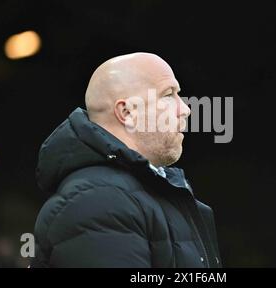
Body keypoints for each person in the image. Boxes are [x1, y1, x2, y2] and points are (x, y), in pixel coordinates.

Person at [30, 52, 222, 267]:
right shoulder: (97, 201)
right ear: (127, 112)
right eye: (168, 95)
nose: (185, 109)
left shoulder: (139, 195)